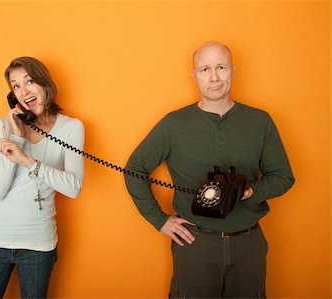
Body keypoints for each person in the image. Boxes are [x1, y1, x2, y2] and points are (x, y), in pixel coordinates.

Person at [124, 41, 295, 298]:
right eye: (205, 69)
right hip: (195, 244)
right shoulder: (174, 124)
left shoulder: (260, 121)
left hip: (248, 243)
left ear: (233, 70)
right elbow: (134, 169)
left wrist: (250, 190)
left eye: (221, 67)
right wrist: (159, 220)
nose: (214, 77)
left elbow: (283, 178)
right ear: (194, 75)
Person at [0, 57, 84, 298]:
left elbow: (73, 187)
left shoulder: (72, 128)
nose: (24, 91)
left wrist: (26, 160)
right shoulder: (3, 126)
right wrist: (17, 138)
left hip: (38, 244)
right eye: (16, 86)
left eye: (29, 81)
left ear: (45, 84)